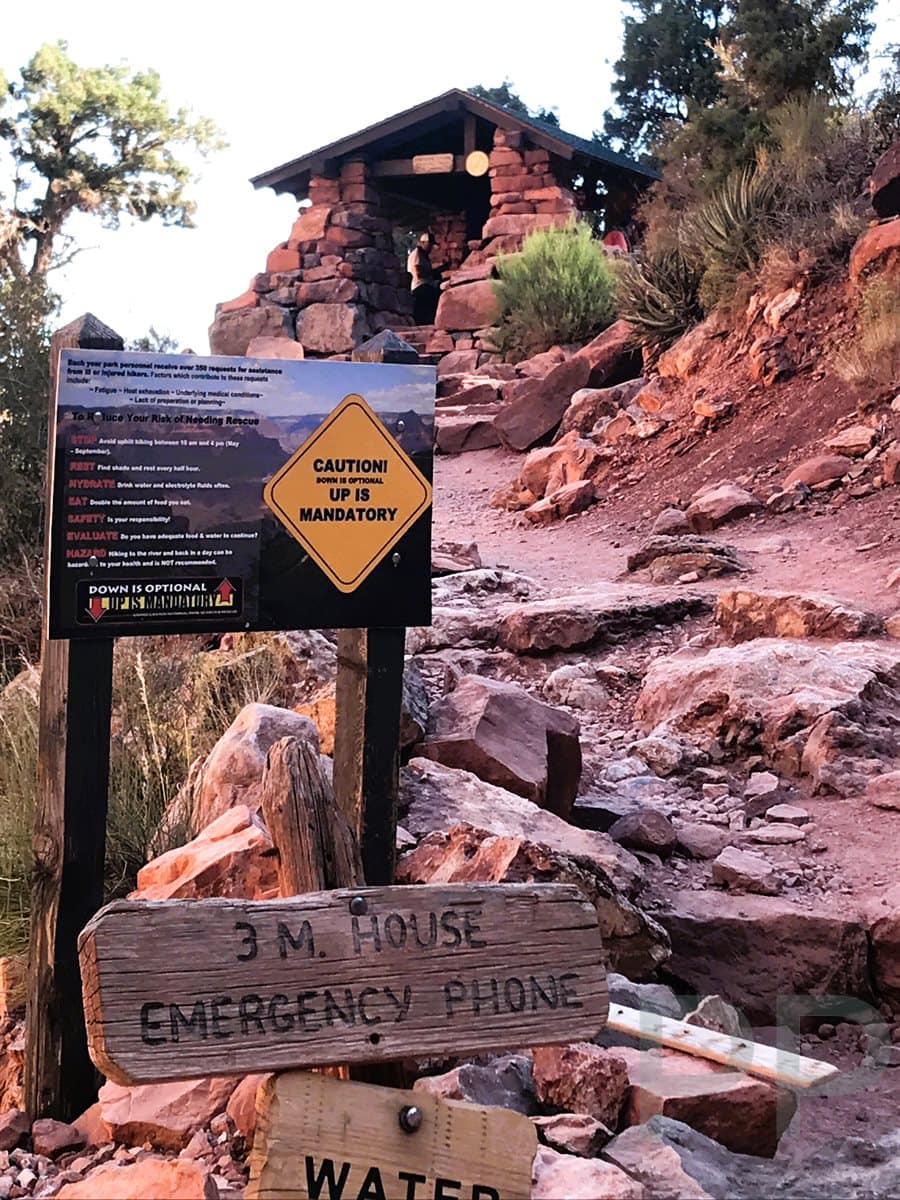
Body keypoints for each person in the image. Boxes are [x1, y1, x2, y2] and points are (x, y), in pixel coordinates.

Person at [407, 232, 444, 325]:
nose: (431, 248)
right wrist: (435, 272)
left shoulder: (424, 256)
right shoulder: (417, 254)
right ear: (423, 243)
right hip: (420, 287)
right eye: (429, 245)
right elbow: (418, 273)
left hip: (426, 286)